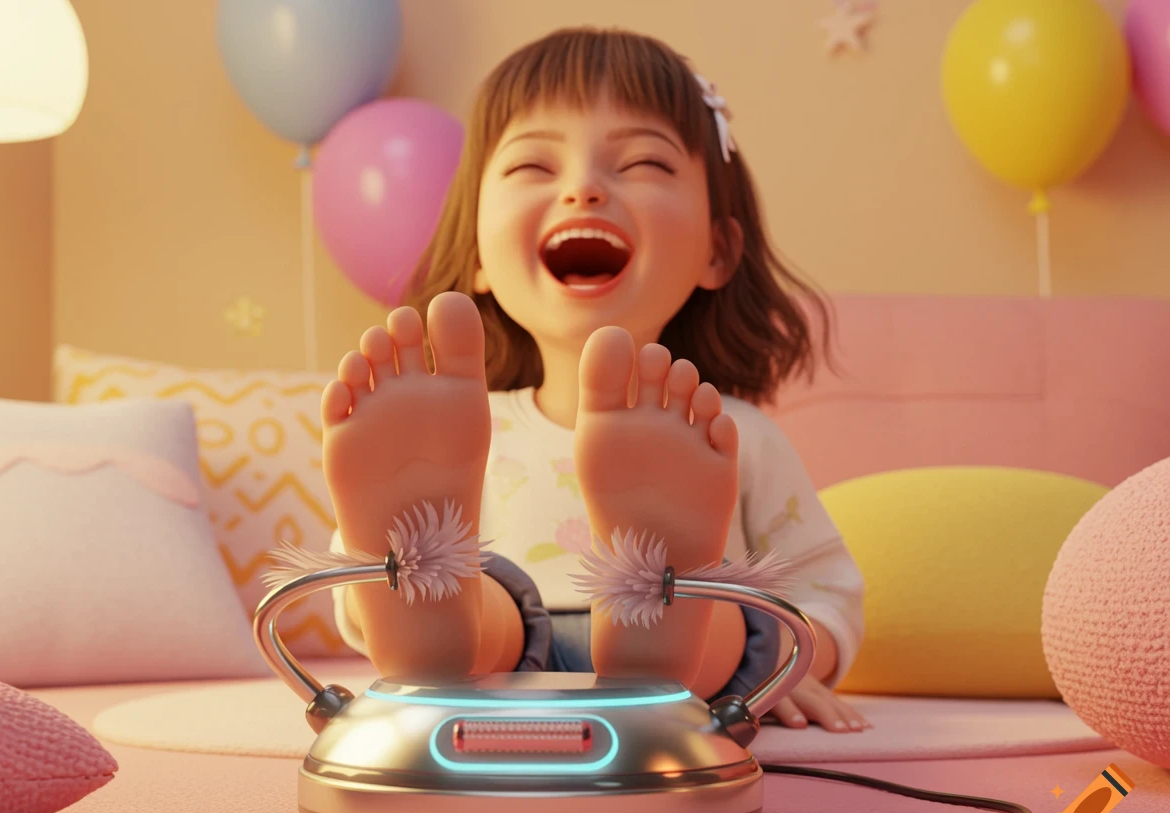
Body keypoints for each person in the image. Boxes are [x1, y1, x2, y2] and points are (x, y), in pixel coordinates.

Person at [318, 26, 869, 732]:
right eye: (532, 169)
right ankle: (432, 614)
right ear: (477, 250)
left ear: (718, 249)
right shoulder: (453, 431)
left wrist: (788, 664)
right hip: (498, 664)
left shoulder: (728, 435)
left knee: (720, 614)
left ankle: (661, 607)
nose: (582, 189)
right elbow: (352, 585)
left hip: (691, 674)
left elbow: (826, 593)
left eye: (642, 163)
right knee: (476, 601)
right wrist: (388, 587)